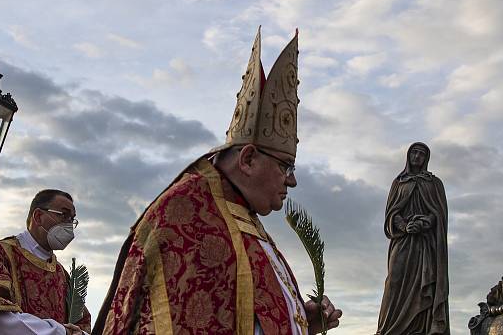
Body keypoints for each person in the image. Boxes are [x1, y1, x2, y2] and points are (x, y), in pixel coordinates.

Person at [93, 28, 342, 335]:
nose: (291, 181)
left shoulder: (241, 216)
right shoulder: (188, 213)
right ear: (248, 159)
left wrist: (299, 319)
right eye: (285, 166)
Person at [0, 189, 91, 335]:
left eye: (72, 219)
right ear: (38, 216)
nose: (69, 225)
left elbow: (81, 323)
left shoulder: (62, 274)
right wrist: (60, 332)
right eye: (64, 215)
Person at [376, 142, 449, 335]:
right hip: (402, 242)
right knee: (394, 282)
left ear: (426, 158)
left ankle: (420, 329)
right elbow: (391, 213)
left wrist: (425, 222)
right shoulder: (399, 182)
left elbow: (439, 214)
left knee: (425, 285)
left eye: (421, 154)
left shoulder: (434, 183)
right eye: (414, 152)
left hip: (425, 245)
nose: (417, 156)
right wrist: (403, 225)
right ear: (408, 155)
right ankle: (387, 330)